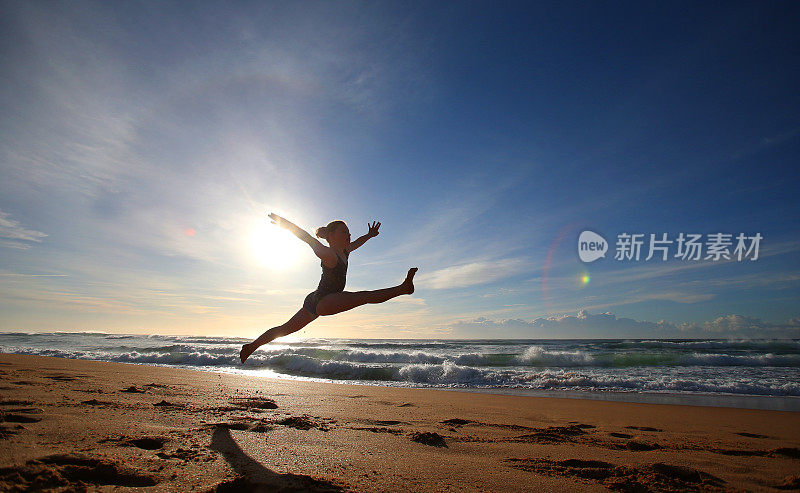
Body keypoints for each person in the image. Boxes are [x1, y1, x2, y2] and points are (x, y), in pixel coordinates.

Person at [240, 213, 417, 363]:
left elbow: (358, 242)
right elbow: (307, 238)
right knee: (363, 296)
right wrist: (286, 225)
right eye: (344, 232)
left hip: (316, 299)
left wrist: (369, 235)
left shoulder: (345, 252)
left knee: (284, 329)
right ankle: (403, 288)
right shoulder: (328, 254)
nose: (348, 235)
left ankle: (250, 347)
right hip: (323, 300)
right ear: (331, 236)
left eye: (348, 232)